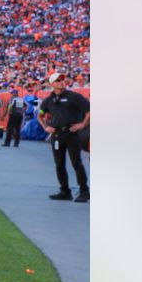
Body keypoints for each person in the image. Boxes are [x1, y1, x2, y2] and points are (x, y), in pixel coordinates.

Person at [38, 72, 90, 203]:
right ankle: (65, 191)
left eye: (63, 79)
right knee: (59, 164)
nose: (62, 81)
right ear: (52, 84)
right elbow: (40, 115)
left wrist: (82, 124)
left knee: (76, 163)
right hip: (56, 135)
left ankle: (84, 191)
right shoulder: (49, 100)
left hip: (72, 134)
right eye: (58, 80)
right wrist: (46, 127)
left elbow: (90, 110)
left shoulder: (74, 96)